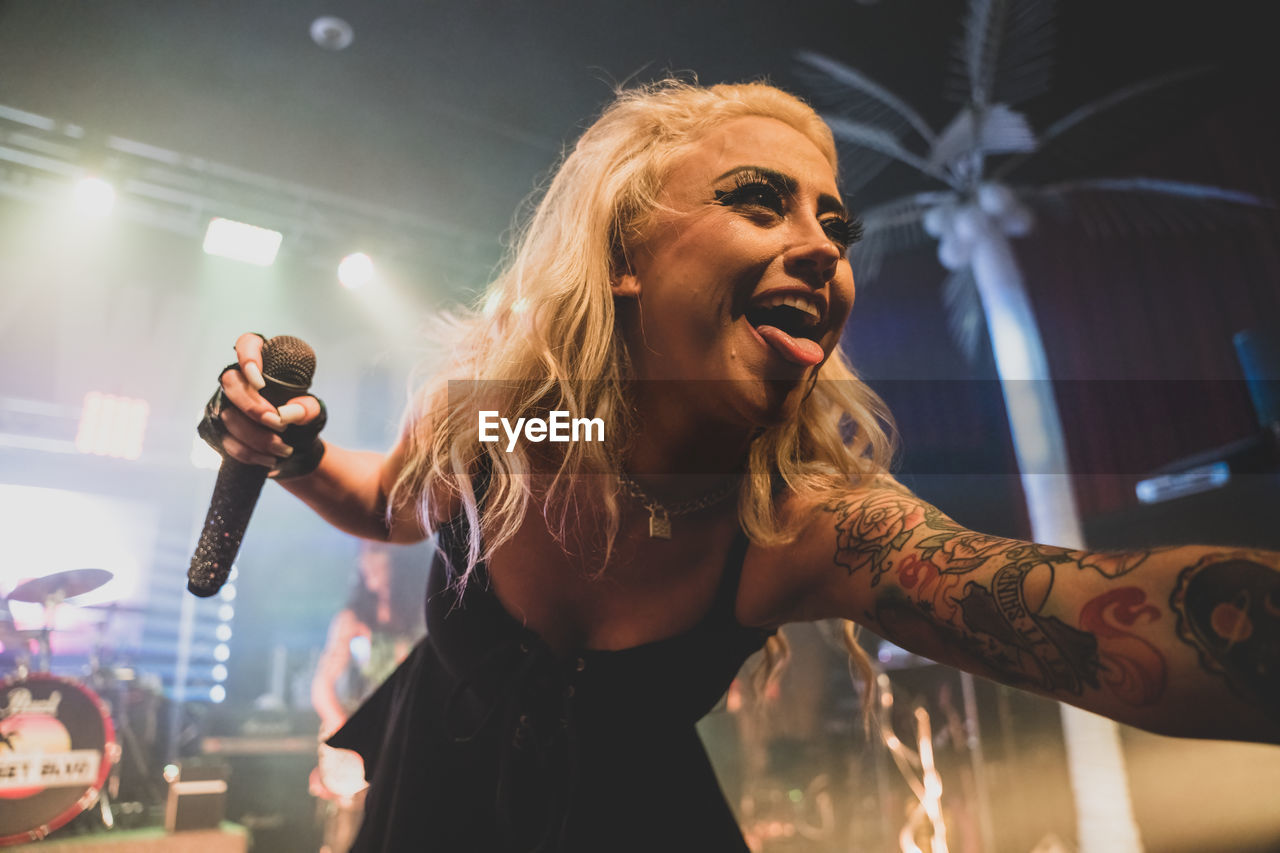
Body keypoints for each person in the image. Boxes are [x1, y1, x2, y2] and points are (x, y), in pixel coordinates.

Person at [199, 80, 1280, 852]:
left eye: (833, 221)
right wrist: (288, 448)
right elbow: (390, 499)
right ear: (623, 259)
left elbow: (1102, 613)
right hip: (425, 799)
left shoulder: (794, 519)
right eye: (759, 202)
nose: (822, 245)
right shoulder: (526, 435)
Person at [309, 540, 425, 853]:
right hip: (359, 744)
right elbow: (322, 688)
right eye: (361, 555)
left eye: (375, 551)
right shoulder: (352, 620)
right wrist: (345, 736)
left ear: (399, 559)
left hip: (406, 740)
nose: (365, 562)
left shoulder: (425, 616)